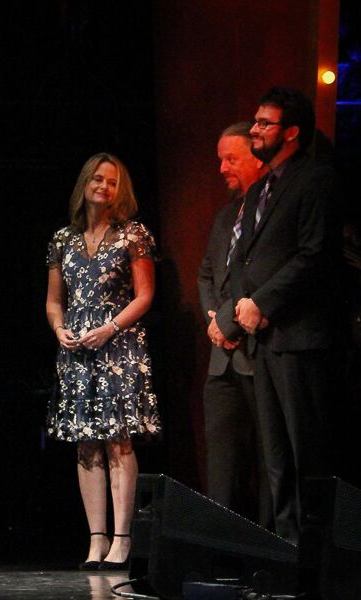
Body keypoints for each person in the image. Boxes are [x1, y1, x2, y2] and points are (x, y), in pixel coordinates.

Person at [213, 87, 339, 544]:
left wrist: (263, 303)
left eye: (264, 123)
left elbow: (313, 254)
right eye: (255, 121)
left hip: (299, 337)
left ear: (291, 132)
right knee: (276, 456)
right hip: (263, 340)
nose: (255, 130)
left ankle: (315, 554)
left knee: (307, 454)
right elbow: (243, 259)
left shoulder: (316, 179)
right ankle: (285, 549)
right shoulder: (262, 188)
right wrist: (239, 310)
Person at [44, 152, 161, 570]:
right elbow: (54, 301)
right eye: (97, 179)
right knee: (86, 441)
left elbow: (145, 296)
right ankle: (97, 538)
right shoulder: (63, 239)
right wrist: (59, 329)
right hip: (77, 349)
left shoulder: (133, 234)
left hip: (119, 346)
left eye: (112, 181)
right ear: (85, 183)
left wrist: (110, 328)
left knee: (118, 440)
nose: (104, 187)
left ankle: (123, 539)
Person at [198, 122, 272, 526]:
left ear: (257, 159)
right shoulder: (226, 215)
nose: (222, 168)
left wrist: (229, 324)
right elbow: (207, 273)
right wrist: (214, 320)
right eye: (219, 159)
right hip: (221, 359)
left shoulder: (271, 215)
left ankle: (268, 544)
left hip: (258, 352)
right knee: (222, 461)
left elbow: (260, 278)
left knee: (267, 460)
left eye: (231, 159)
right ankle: (220, 540)